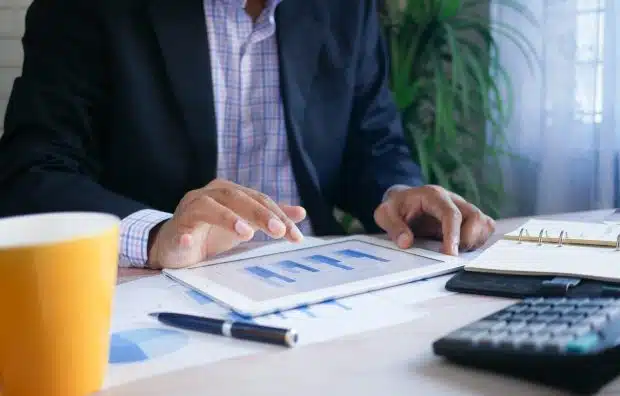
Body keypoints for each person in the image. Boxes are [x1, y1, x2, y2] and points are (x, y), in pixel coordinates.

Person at [0, 0, 495, 269]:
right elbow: (30, 174)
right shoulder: (85, 8)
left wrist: (400, 194)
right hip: (154, 287)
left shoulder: (347, 7)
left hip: (318, 279)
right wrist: (155, 234)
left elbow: (373, 141)